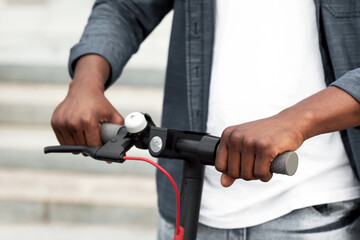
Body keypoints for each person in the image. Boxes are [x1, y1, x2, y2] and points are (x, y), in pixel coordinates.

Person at [51, 0, 360, 239]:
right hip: (189, 210)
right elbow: (126, 6)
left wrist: (296, 120)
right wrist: (85, 81)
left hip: (318, 207)